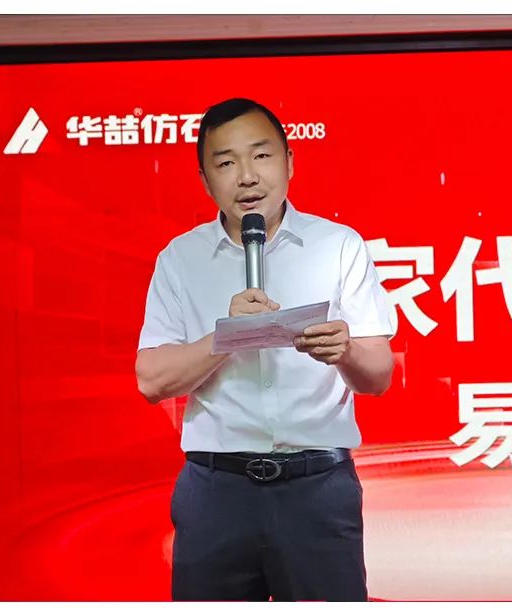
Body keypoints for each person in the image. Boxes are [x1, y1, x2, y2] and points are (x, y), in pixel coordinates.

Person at [134, 97, 396, 601]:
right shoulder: (180, 259)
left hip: (317, 490)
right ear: (205, 180)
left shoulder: (339, 245)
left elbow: (379, 375)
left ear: (290, 162)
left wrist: (345, 349)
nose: (248, 176)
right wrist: (227, 336)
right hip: (216, 493)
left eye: (261, 155)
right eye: (226, 163)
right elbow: (151, 380)